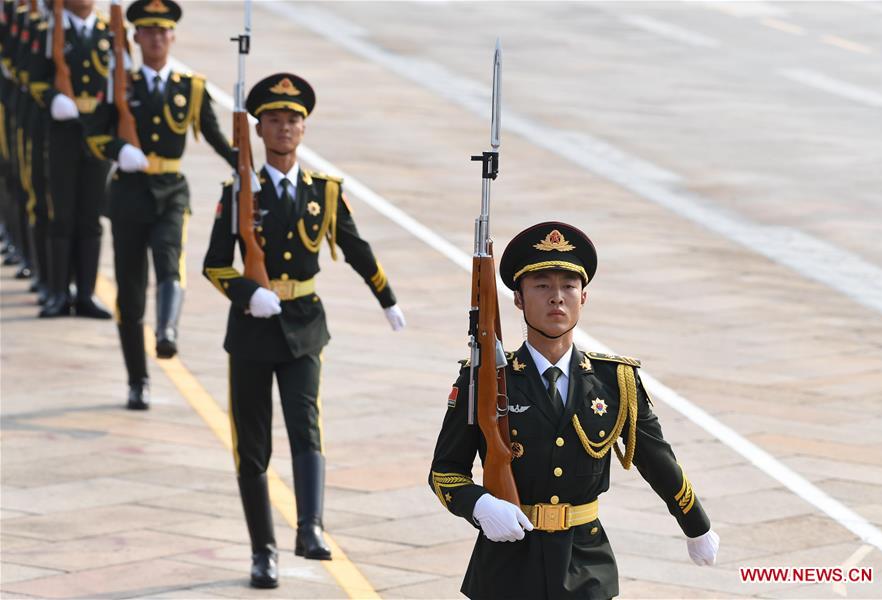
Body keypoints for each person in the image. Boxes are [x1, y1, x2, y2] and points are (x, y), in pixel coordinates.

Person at [428, 222, 719, 599]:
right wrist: (480, 506)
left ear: (584, 297)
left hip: (585, 565)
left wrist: (696, 524)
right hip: (505, 568)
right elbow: (444, 472)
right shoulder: (483, 379)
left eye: (568, 285)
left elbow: (657, 460)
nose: (557, 297)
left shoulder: (615, 380)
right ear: (518, 298)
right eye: (542, 286)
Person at [202, 72, 406, 589]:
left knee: (305, 425)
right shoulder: (239, 191)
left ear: (304, 128)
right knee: (251, 444)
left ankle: (311, 526)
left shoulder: (324, 194)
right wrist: (249, 293)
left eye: (293, 120)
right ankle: (262, 550)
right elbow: (213, 264)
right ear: (261, 128)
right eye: (274, 119)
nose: (285, 127)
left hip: (304, 326)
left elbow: (356, 248)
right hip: (252, 330)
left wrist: (387, 298)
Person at [84, 0, 233, 410]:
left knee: (171, 260)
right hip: (129, 193)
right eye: (147, 31)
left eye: (163, 30)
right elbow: (93, 134)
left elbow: (217, 137)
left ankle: (166, 332)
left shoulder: (191, 87)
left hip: (170, 190)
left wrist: (247, 167)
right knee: (130, 294)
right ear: (135, 37)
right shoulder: (119, 84)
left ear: (173, 36)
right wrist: (118, 150)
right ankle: (138, 379)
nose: (156, 37)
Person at [29, 0, 112, 319]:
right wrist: (53, 99)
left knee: (90, 217)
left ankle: (86, 295)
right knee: (61, 214)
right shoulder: (50, 30)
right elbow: (34, 77)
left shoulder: (111, 33)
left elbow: (122, 81)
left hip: (97, 137)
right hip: (62, 134)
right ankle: (58, 292)